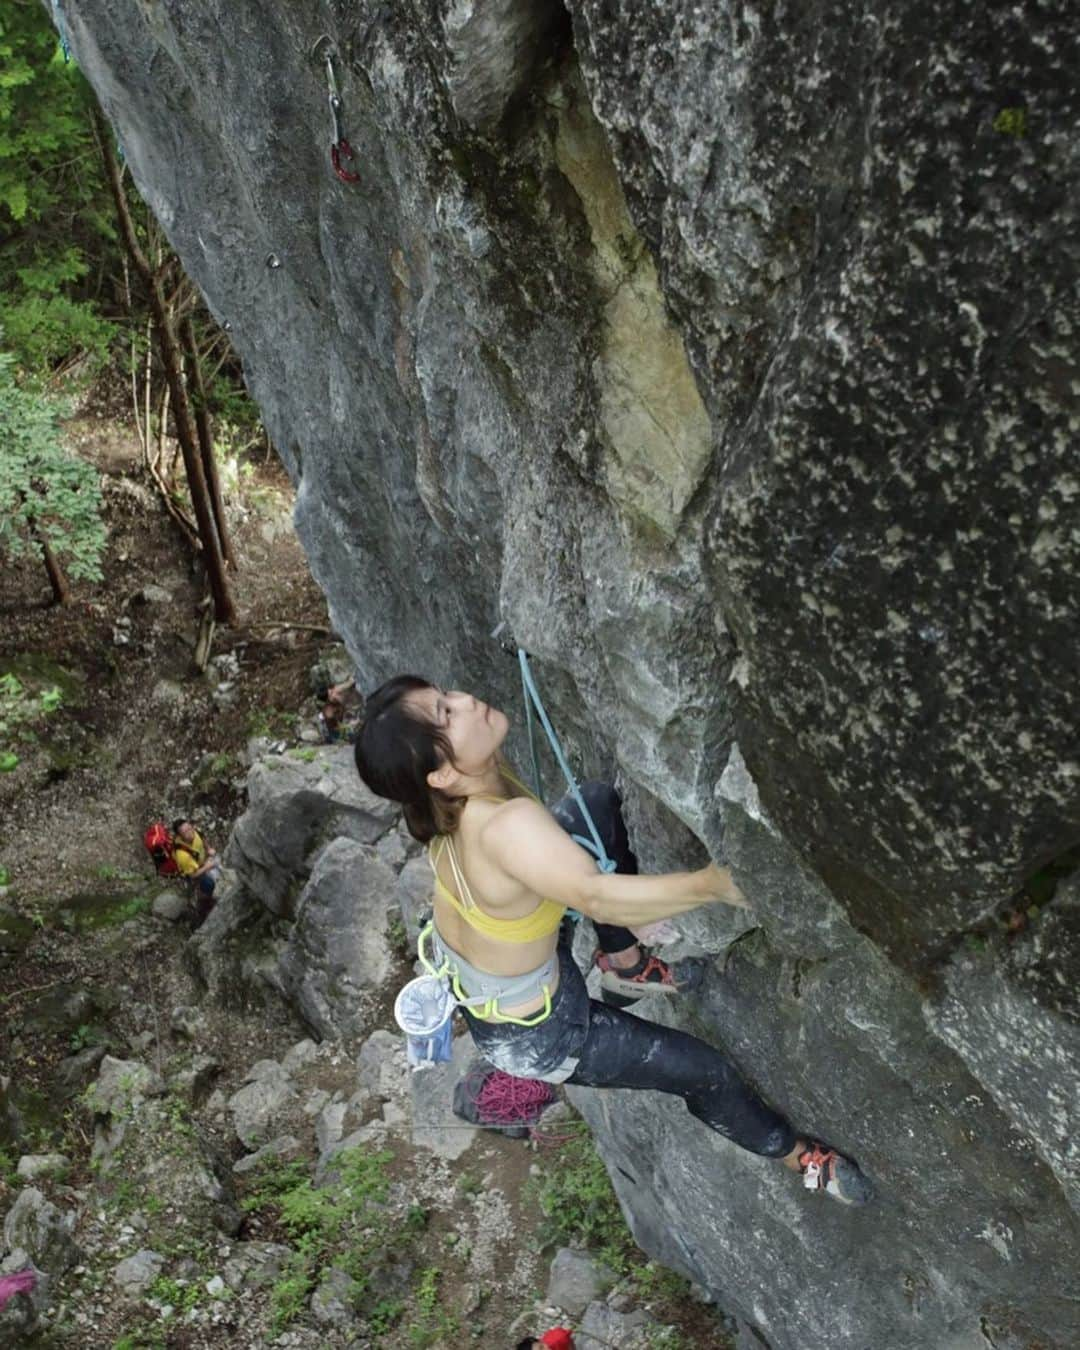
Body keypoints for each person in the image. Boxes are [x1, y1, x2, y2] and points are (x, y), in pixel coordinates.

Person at [354, 677, 872, 1205]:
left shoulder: (446, 810)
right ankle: (798, 1157)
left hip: (502, 976)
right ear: (440, 772)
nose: (465, 700)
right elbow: (595, 895)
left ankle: (623, 962)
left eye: (448, 695)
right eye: (445, 713)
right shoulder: (503, 827)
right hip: (541, 1033)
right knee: (704, 1072)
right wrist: (712, 885)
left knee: (594, 806)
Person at [171, 818, 220, 923]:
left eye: (189, 828)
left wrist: (208, 849)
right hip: (191, 870)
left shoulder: (194, 832)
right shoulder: (182, 855)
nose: (190, 832)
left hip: (200, 862)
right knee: (208, 883)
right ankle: (203, 907)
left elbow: (201, 838)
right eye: (185, 832)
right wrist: (208, 866)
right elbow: (193, 875)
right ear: (180, 836)